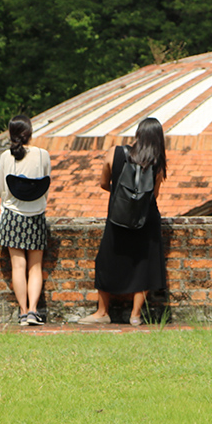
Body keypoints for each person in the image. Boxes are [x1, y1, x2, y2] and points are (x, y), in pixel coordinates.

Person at [83, 117, 167, 326]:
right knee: (144, 264)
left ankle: (103, 312)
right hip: (146, 219)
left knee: (106, 261)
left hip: (118, 216)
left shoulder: (115, 152)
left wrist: (122, 197)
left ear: (138, 134)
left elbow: (104, 183)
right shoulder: (158, 163)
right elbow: (153, 196)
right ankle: (135, 315)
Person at [0, 114, 50, 326]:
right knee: (35, 267)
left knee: (18, 266)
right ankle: (34, 311)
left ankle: (22, 311)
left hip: (12, 215)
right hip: (36, 215)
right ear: (30, 133)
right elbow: (46, 185)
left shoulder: (5, 157)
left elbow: (1, 189)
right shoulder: (42, 155)